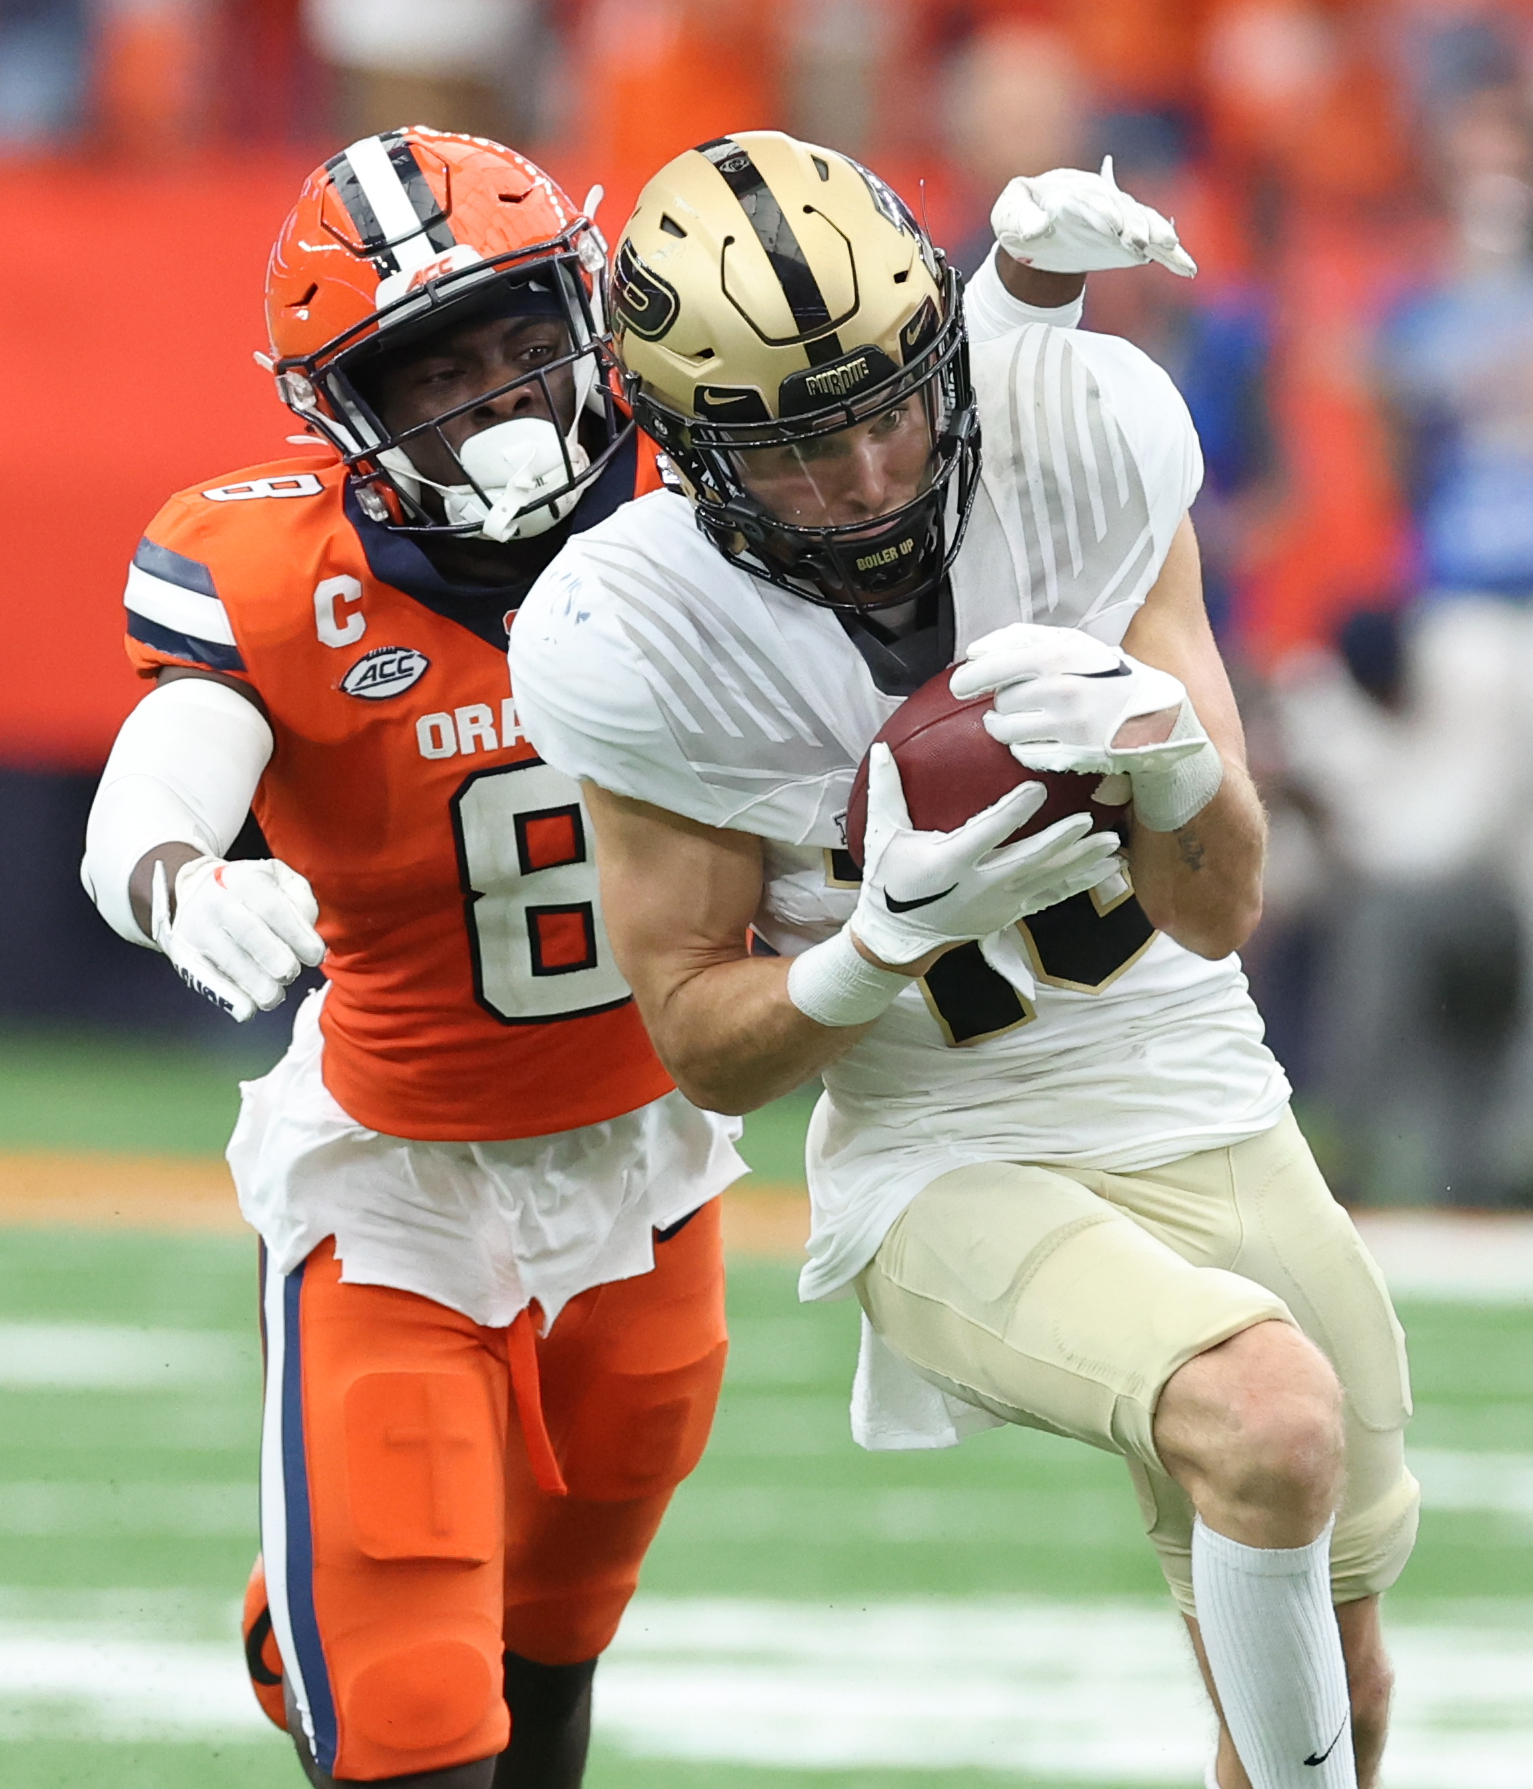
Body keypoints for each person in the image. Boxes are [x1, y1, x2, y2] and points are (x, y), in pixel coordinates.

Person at [508, 132, 1419, 1789]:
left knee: (1335, 1678)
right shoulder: (632, 629)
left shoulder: (1079, 430)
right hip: (938, 1148)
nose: (862, 474)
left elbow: (1217, 908)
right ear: (683, 449)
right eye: (791, 448)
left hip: (1195, 1076)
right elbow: (701, 1047)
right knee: (1266, 1417)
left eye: (886, 405)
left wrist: (1167, 766)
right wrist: (871, 944)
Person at [80, 127, 746, 1789]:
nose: (505, 401)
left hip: (654, 1159)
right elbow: (157, 781)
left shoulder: (714, 500)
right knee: (417, 1716)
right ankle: (330, 1610)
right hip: (395, 1185)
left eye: (528, 340)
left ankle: (325, 1595)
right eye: (435, 373)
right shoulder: (272, 572)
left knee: (556, 1637)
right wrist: (174, 874)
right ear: (342, 410)